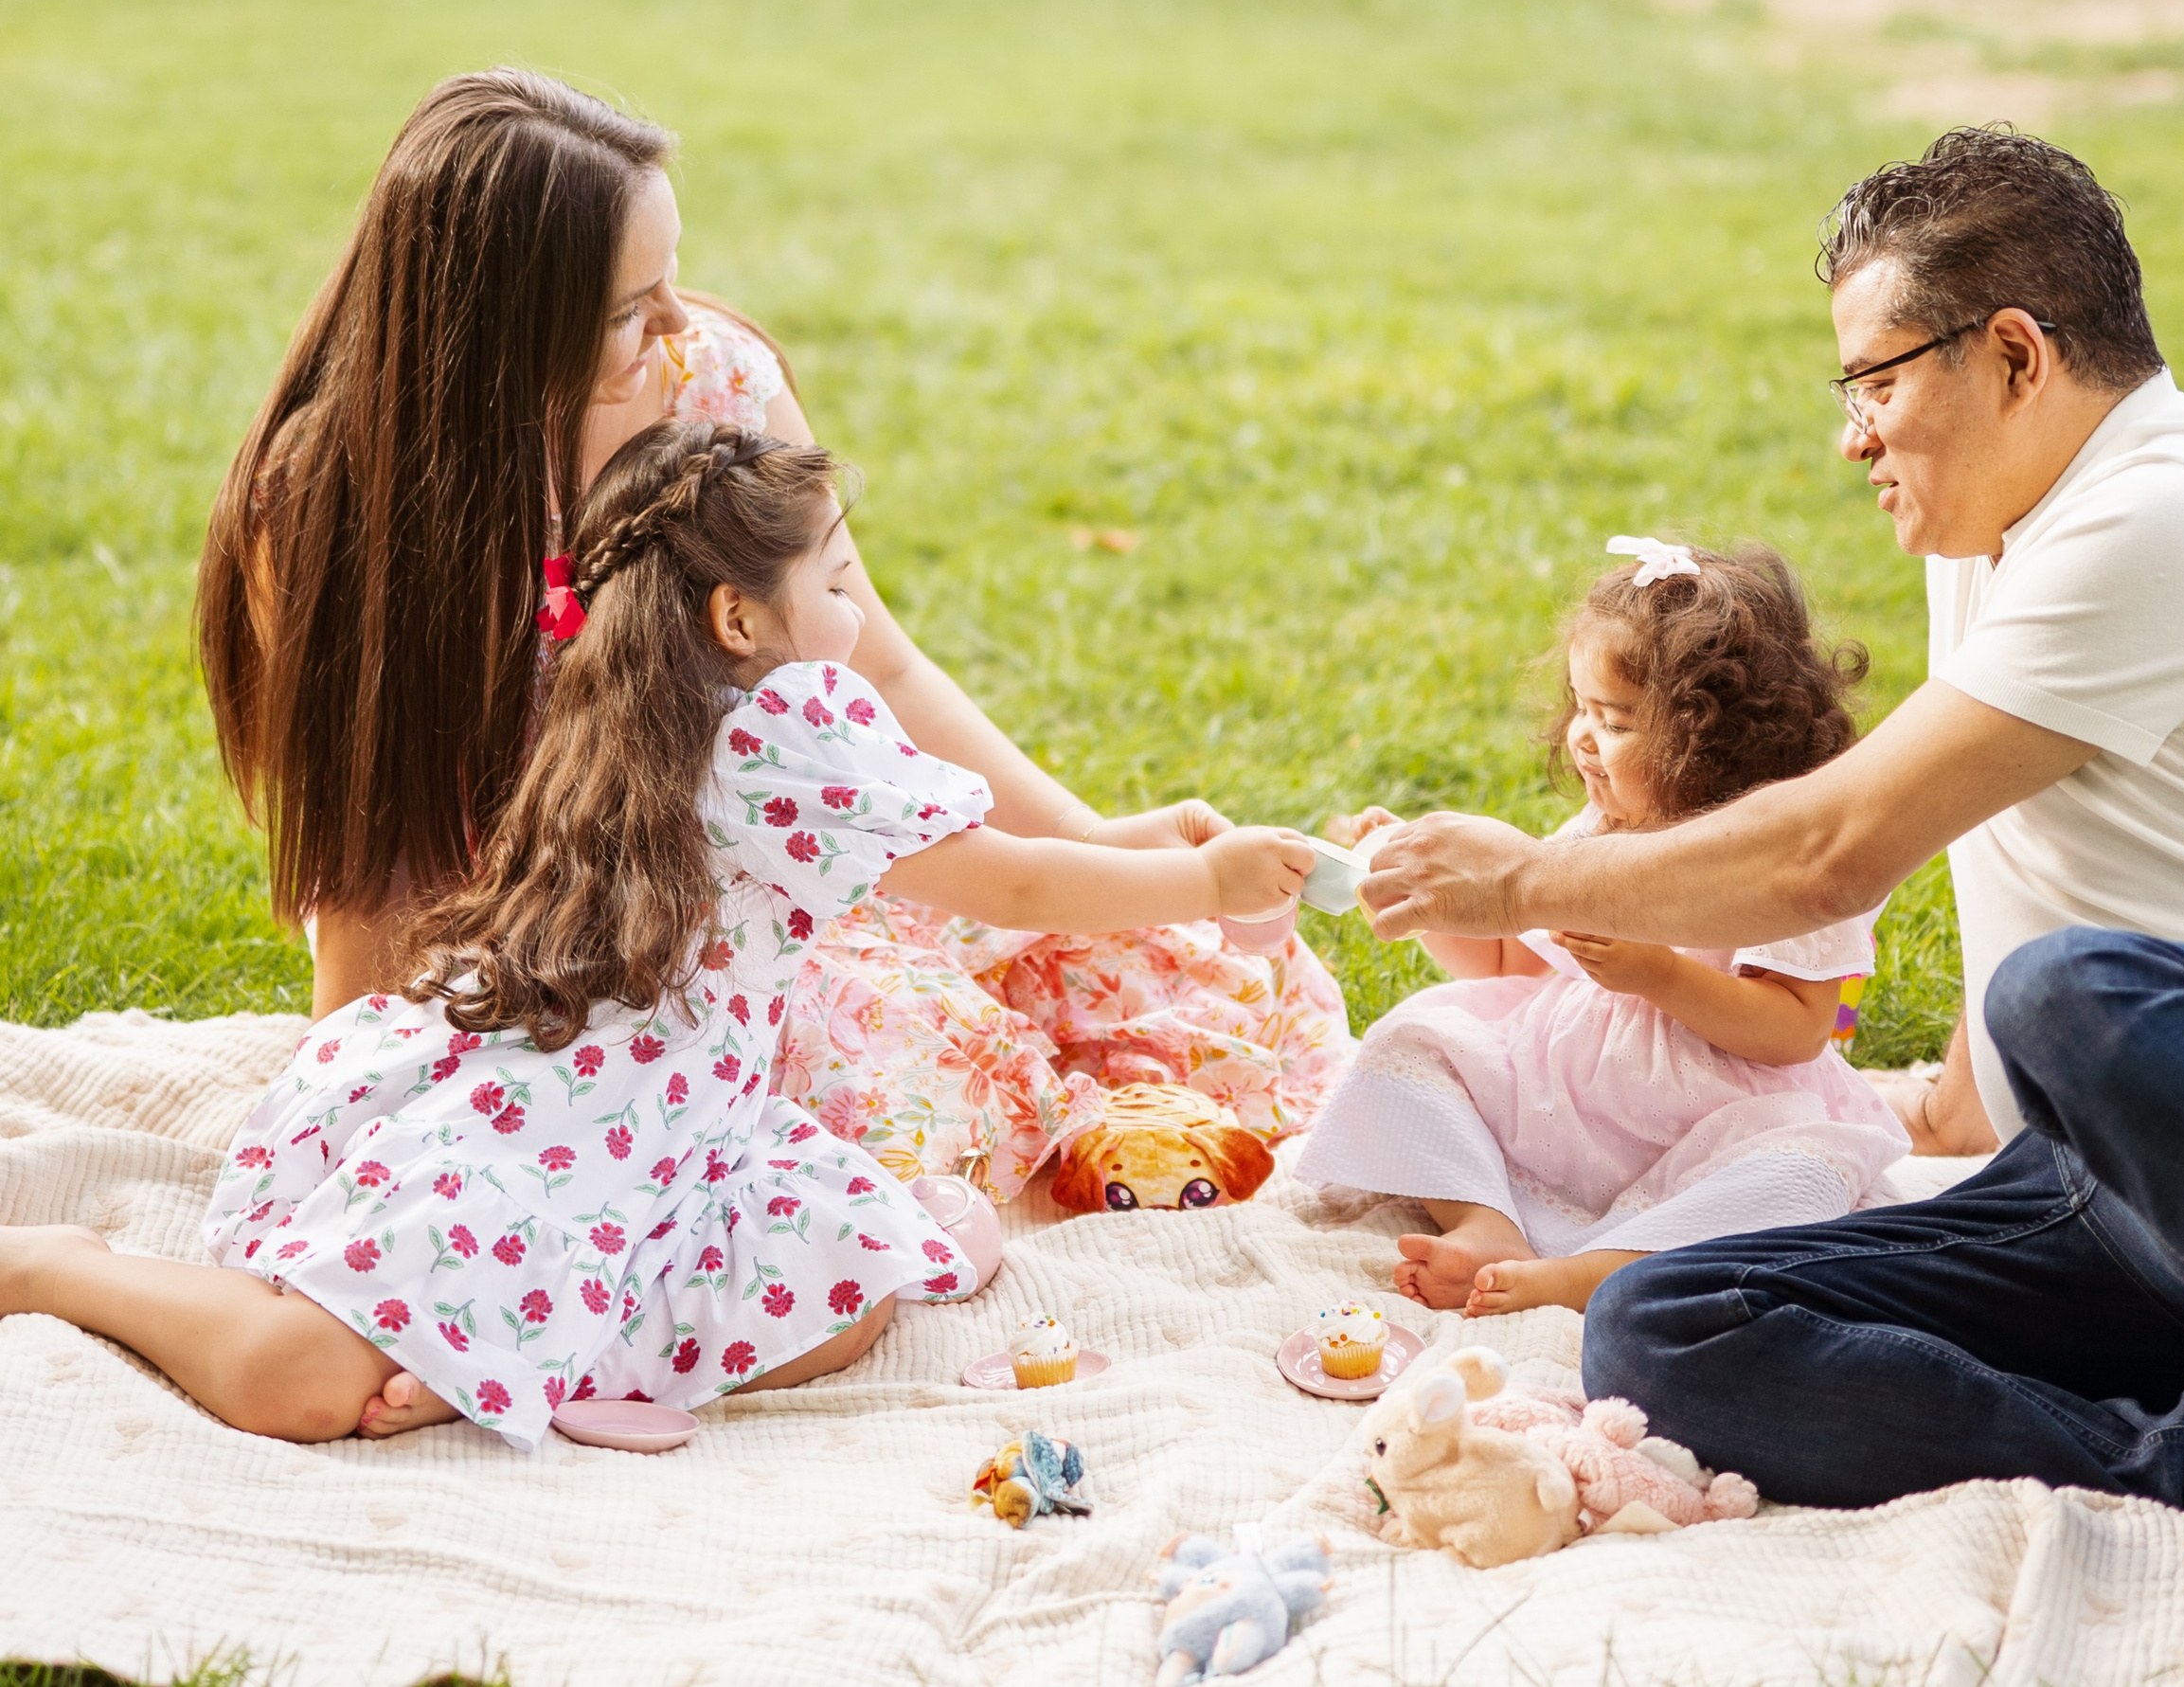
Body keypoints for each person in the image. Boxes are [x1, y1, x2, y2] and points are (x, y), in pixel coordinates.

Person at [1358, 127, 2184, 1604]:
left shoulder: (2179, 512)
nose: (1851, 435)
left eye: (1878, 380)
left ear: (2013, 355)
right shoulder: (1991, 528)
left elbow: (1834, 846)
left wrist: (1523, 887)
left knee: (2076, 992)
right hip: (2126, 1188)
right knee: (1666, 1320)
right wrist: (1955, 1101)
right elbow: (2023, 846)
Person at [2, 422, 1310, 1446]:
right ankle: (75, 1271)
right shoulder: (794, 724)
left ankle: (506, 1351)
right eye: (840, 582)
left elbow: (961, 867)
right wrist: (1205, 881)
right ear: (742, 619)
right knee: (300, 1379)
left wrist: (1146, 843)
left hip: (648, 1119)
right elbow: (1007, 886)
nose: (858, 616)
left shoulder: (631, 700)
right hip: (551, 1129)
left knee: (841, 1297)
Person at [197, 70, 1349, 1199]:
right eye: (625, 312)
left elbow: (881, 664)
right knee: (852, 1083)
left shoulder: (713, 385)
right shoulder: (329, 505)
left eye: (673, 279)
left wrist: (1093, 840)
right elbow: (367, 857)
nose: (678, 325)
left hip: (762, 867)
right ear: (502, 335)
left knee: (1153, 967)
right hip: (538, 938)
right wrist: (347, 1085)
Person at [1295, 541, 1905, 1314]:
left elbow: (1799, 1030)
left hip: (1713, 1119)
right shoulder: (1603, 825)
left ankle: (1595, 1274)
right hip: (1563, 1092)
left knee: (1805, 1169)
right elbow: (1509, 955)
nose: (1582, 736)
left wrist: (1662, 973)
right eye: (1581, 707)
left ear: (1709, 742)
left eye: (1614, 721)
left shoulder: (1778, 859)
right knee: (1409, 1040)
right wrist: (1425, 903)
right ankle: (1488, 1222)